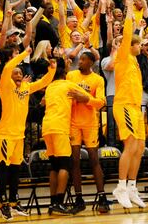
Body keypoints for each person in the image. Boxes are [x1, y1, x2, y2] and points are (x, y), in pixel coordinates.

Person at [0, 47, 55, 220]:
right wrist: (23, 54)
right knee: (3, 169)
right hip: (5, 134)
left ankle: (13, 202)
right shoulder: (6, 86)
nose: (18, 73)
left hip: (19, 135)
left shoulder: (26, 88)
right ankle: (3, 203)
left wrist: (52, 68)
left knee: (15, 170)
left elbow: (44, 82)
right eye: (15, 72)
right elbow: (6, 68)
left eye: (20, 72)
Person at [42, 59, 96, 215]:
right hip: (60, 127)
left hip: (47, 127)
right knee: (65, 165)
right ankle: (59, 202)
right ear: (65, 73)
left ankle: (53, 203)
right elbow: (87, 98)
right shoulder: (69, 85)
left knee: (54, 166)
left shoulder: (49, 87)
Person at [111, 0, 147, 209]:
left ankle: (132, 186)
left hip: (135, 107)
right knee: (130, 144)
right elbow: (127, 33)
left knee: (140, 147)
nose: (141, 47)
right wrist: (130, 8)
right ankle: (121, 186)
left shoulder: (134, 60)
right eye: (139, 44)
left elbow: (135, 36)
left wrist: (140, 28)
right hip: (123, 105)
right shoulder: (124, 55)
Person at [66, 52, 109, 213]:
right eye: (80, 59)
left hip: (90, 123)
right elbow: (66, 95)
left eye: (84, 59)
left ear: (91, 62)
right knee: (75, 161)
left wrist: (85, 98)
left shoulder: (98, 80)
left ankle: (102, 196)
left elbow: (101, 103)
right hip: (73, 123)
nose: (80, 61)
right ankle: (78, 198)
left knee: (94, 159)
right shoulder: (71, 76)